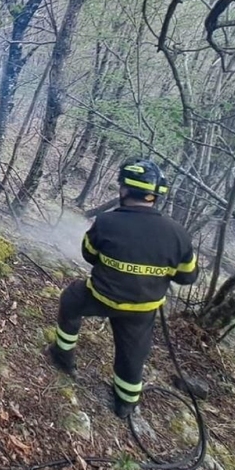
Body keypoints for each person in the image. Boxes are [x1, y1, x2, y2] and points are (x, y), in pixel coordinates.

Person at [45, 158, 198, 419]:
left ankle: (63, 356)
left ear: (124, 190)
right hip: (142, 309)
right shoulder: (178, 234)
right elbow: (187, 277)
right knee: (133, 352)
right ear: (155, 196)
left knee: (71, 300)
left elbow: (89, 254)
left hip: (100, 297)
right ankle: (125, 402)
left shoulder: (106, 222)